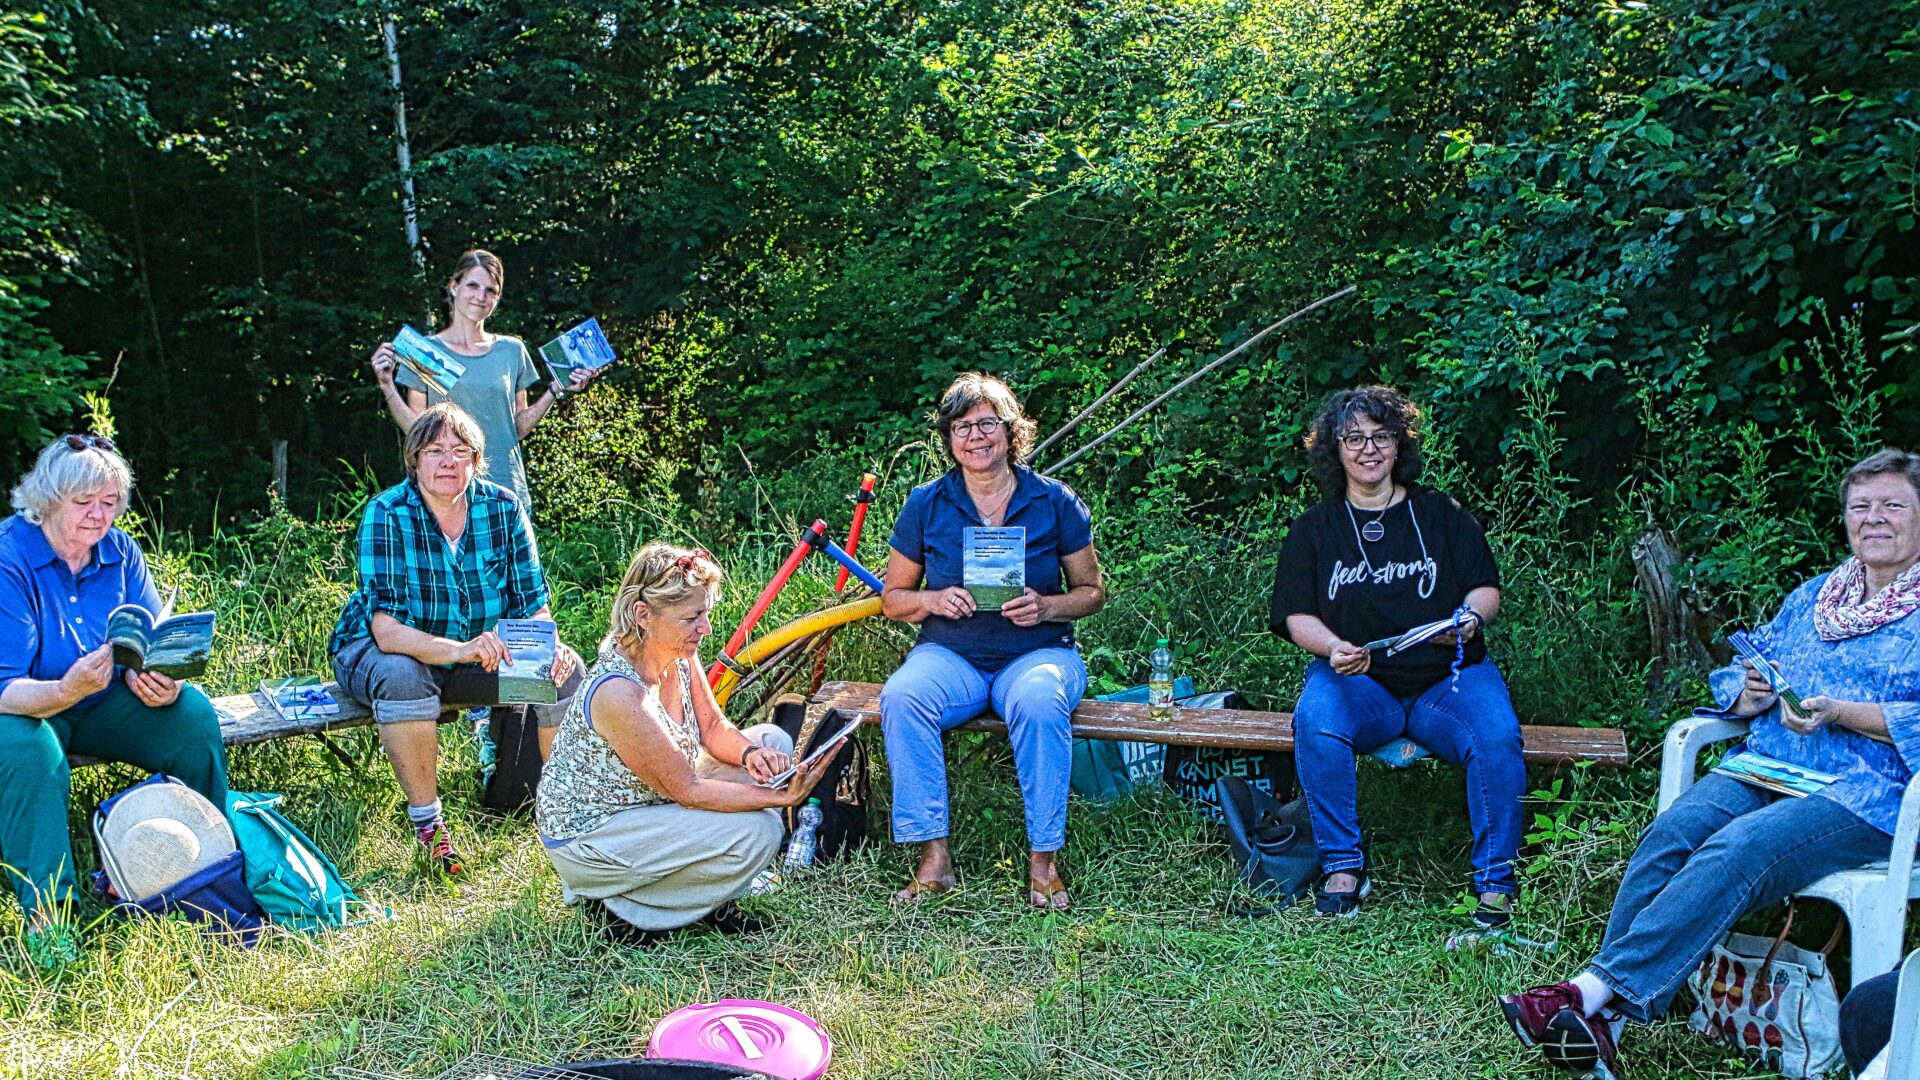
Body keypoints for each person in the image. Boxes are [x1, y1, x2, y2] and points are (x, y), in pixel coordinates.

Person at [1498, 448, 1920, 1080]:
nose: (1874, 518)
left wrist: (1842, 711)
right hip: (1776, 766)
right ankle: (1605, 1018)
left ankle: (1588, 996)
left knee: (1738, 849)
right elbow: (1743, 667)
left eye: (1893, 505)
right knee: (1672, 834)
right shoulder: (1817, 596)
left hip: (1869, 792)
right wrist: (1746, 691)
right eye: (1861, 506)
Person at [1268, 385, 1522, 920]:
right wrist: (1333, 646)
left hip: (1447, 679)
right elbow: (1295, 616)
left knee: (1497, 734)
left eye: (1381, 436)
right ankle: (1343, 867)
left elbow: (1486, 589)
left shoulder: (1441, 513)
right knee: (1316, 718)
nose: (1368, 449)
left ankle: (1496, 883)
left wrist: (1468, 619)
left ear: (1399, 444)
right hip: (1362, 684)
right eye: (1354, 437)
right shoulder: (1314, 528)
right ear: (1334, 448)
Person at [879, 372, 1106, 910]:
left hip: (1038, 654)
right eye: (962, 426)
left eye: (987, 423)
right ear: (948, 438)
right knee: (902, 696)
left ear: (1010, 431)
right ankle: (934, 860)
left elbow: (1093, 592)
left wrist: (1047, 605)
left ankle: (1043, 863)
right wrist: (934, 600)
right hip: (951, 655)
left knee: (1039, 700)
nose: (976, 437)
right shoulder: (926, 503)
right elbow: (893, 599)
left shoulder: (1052, 500)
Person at [0, 435, 229, 967]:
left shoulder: (120, 549)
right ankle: (49, 922)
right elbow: (4, 683)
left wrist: (160, 678)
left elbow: (146, 638)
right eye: (84, 503)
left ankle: (205, 875)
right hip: (29, 707)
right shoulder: (9, 556)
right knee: (28, 754)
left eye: (109, 502)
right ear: (48, 499)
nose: (99, 515)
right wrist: (62, 691)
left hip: (102, 700)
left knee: (190, 715)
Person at [328, 404, 583, 875]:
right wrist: (461, 650)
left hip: (475, 654)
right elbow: (386, 631)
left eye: (459, 451)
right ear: (414, 459)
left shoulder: (503, 507)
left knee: (564, 674)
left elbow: (532, 604)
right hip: (383, 652)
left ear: (476, 460)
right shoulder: (387, 512)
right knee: (403, 676)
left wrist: (547, 644)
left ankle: (561, 809)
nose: (447, 462)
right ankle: (429, 825)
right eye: (434, 451)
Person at [536, 543, 831, 943]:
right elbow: (687, 790)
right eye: (692, 617)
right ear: (643, 615)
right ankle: (627, 910)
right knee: (760, 829)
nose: (705, 628)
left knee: (772, 741)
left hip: (653, 799)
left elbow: (711, 726)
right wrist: (781, 799)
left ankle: (675, 892)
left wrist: (750, 755)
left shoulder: (675, 651)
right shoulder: (618, 693)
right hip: (591, 836)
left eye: (705, 613)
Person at [367, 248, 601, 510]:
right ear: (454, 287)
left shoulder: (511, 350)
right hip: (446, 490)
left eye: (490, 290)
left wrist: (556, 388)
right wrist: (387, 385)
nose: (480, 297)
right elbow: (416, 429)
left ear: (498, 298)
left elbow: (518, 427)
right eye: (472, 285)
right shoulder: (426, 352)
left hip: (507, 489)